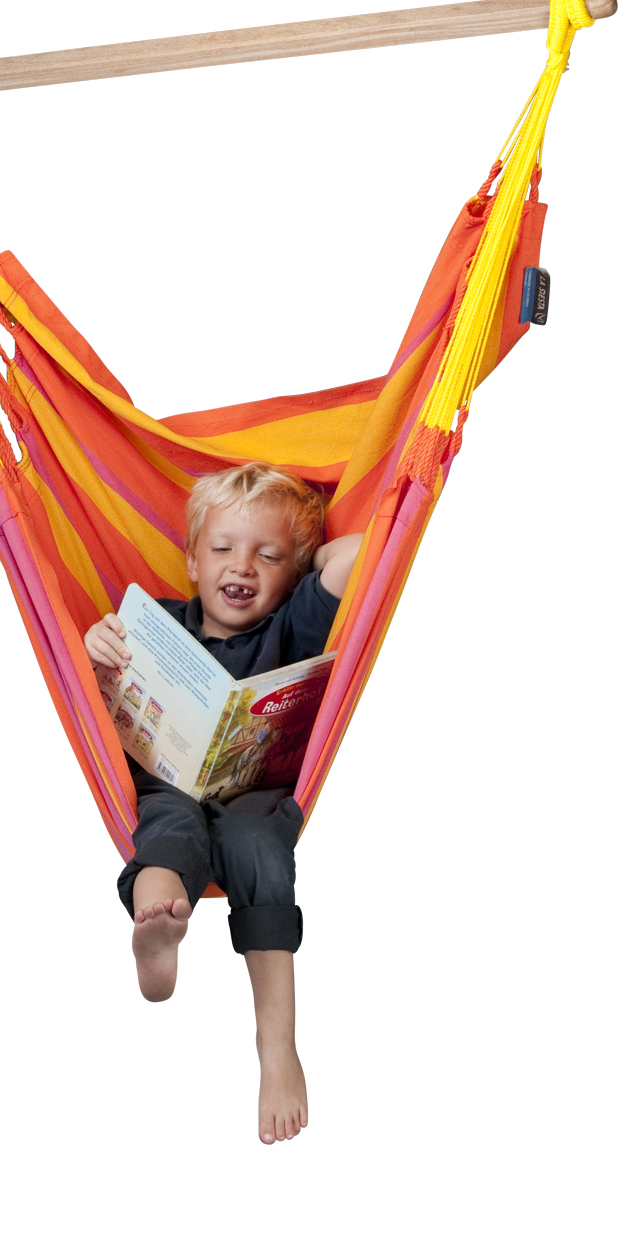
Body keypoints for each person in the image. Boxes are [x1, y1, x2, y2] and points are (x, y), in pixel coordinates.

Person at [83, 463, 361, 1144]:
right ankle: (158, 928)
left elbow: (361, 555)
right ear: (191, 561)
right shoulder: (154, 621)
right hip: (167, 781)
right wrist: (94, 648)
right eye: (223, 548)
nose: (242, 566)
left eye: (267, 556)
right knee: (169, 827)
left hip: (255, 793)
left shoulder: (293, 624)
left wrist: (307, 559)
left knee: (257, 847)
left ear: (292, 574)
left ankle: (277, 1048)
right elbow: (89, 676)